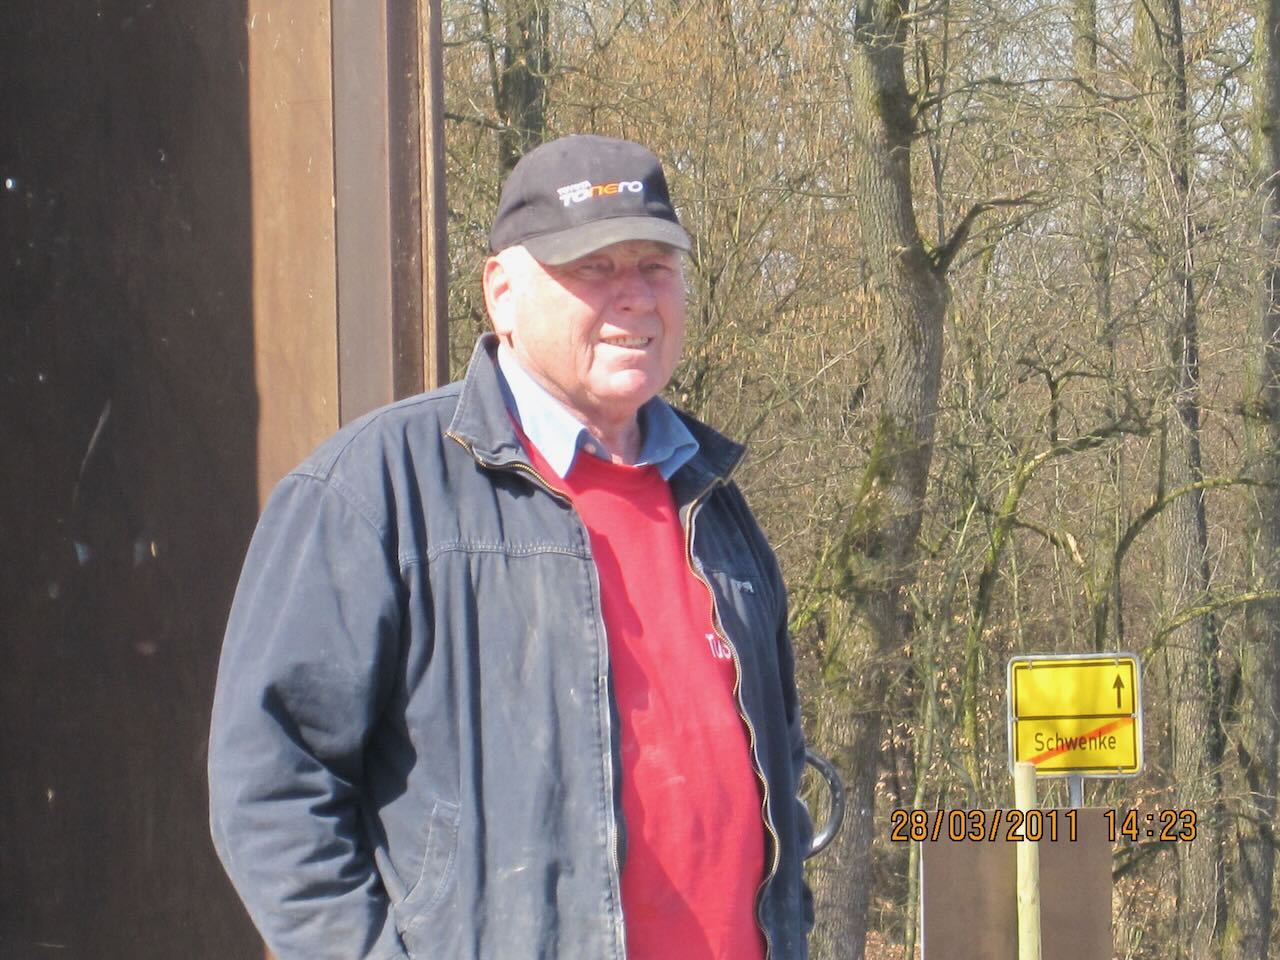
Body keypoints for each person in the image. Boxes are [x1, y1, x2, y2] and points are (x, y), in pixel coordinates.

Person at [208, 134, 813, 960]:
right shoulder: (372, 492)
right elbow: (271, 787)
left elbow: (781, 773)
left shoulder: (715, 501)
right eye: (594, 268)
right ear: (502, 291)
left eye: (655, 266)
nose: (635, 297)